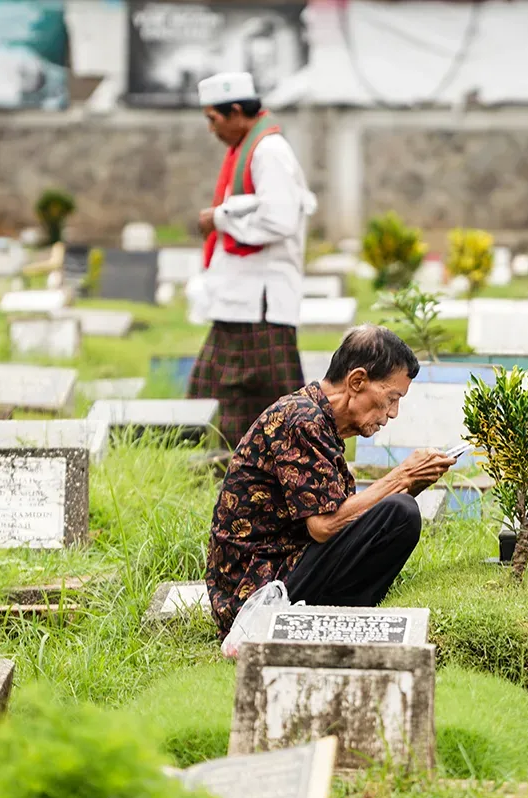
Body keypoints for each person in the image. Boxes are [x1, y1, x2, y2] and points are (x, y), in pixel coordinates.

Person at [205, 325, 456, 641]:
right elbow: (324, 526)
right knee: (400, 512)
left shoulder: (319, 419)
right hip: (256, 594)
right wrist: (402, 476)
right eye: (391, 398)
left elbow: (349, 519)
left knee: (398, 513)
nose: (393, 413)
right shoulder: (301, 418)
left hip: (285, 570)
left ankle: (342, 615)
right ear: (357, 381)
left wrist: (415, 481)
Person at [187, 71, 317, 452]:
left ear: (238, 112)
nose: (211, 129)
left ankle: (300, 477)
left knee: (281, 411)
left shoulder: (268, 151)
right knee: (217, 396)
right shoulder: (249, 149)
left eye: (213, 118)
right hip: (241, 300)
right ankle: (223, 474)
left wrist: (219, 218)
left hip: (262, 303)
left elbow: (279, 219)